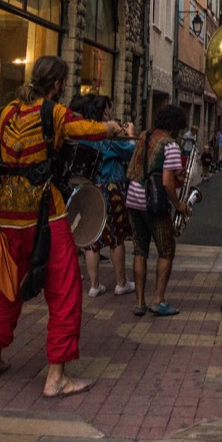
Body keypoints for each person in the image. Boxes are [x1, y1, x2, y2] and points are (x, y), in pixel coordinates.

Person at [0, 57, 121, 398]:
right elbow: (88, 128)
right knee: (65, 289)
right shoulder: (52, 112)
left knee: (6, 285)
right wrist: (113, 129)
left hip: (8, 215)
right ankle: (56, 377)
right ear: (57, 85)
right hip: (46, 213)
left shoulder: (6, 111)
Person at [124, 104, 191, 317]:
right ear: (175, 126)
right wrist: (178, 205)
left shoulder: (145, 135)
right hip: (152, 201)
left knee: (139, 249)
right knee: (166, 250)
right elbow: (167, 182)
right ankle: (158, 300)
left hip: (132, 196)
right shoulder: (170, 144)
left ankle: (139, 302)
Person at [68, 94, 136, 299]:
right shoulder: (108, 135)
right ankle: (121, 282)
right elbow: (130, 152)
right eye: (109, 108)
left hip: (88, 188)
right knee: (116, 237)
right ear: (104, 112)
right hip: (110, 187)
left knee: (92, 238)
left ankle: (94, 285)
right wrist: (129, 134)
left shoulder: (84, 133)